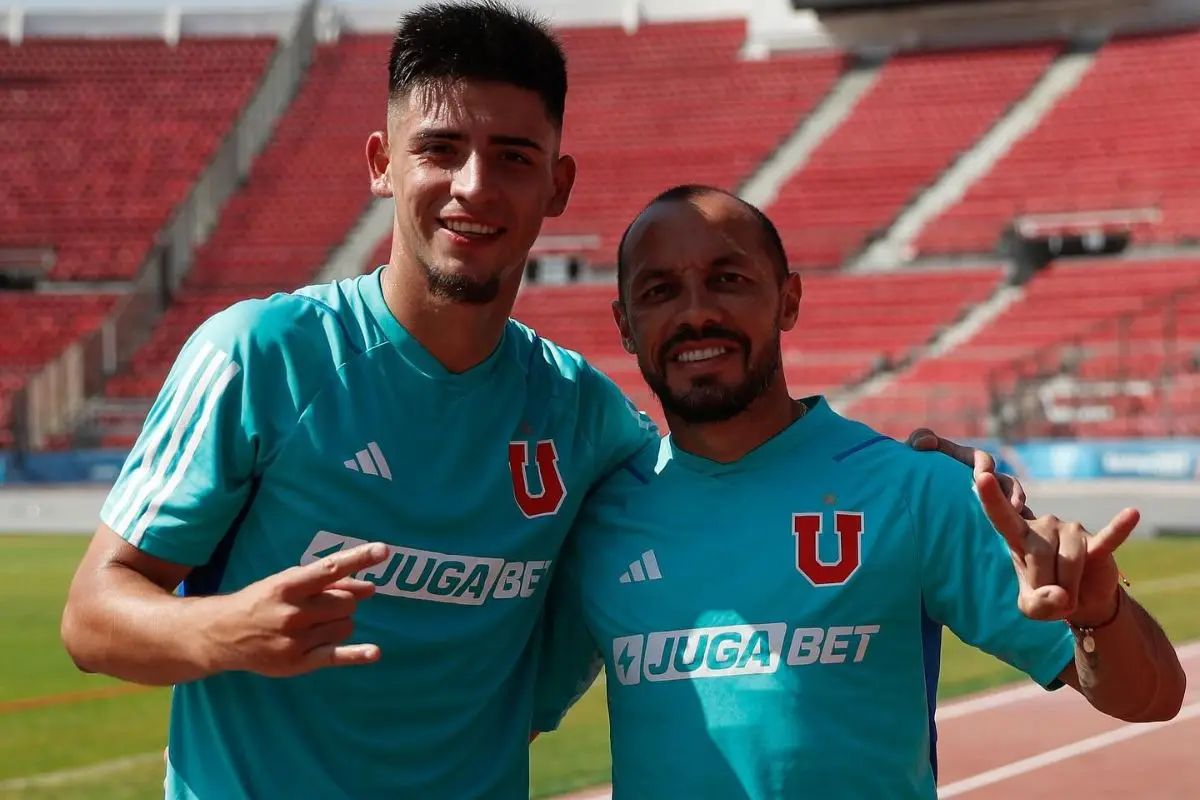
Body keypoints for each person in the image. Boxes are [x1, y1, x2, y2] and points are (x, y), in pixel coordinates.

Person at [58, 2, 1027, 796]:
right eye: (439, 148)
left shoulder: (580, 415)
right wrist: (219, 632)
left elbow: (725, 471)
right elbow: (94, 615)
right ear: (381, 163)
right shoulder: (263, 354)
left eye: (513, 156)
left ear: (555, 184)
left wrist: (916, 479)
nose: (474, 186)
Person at [531, 184, 1188, 799]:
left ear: (788, 299)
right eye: (659, 291)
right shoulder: (600, 521)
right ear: (624, 325)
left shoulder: (912, 490)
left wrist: (1097, 614)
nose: (697, 312)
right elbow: (499, 718)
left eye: (728, 280)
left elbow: (1152, 696)